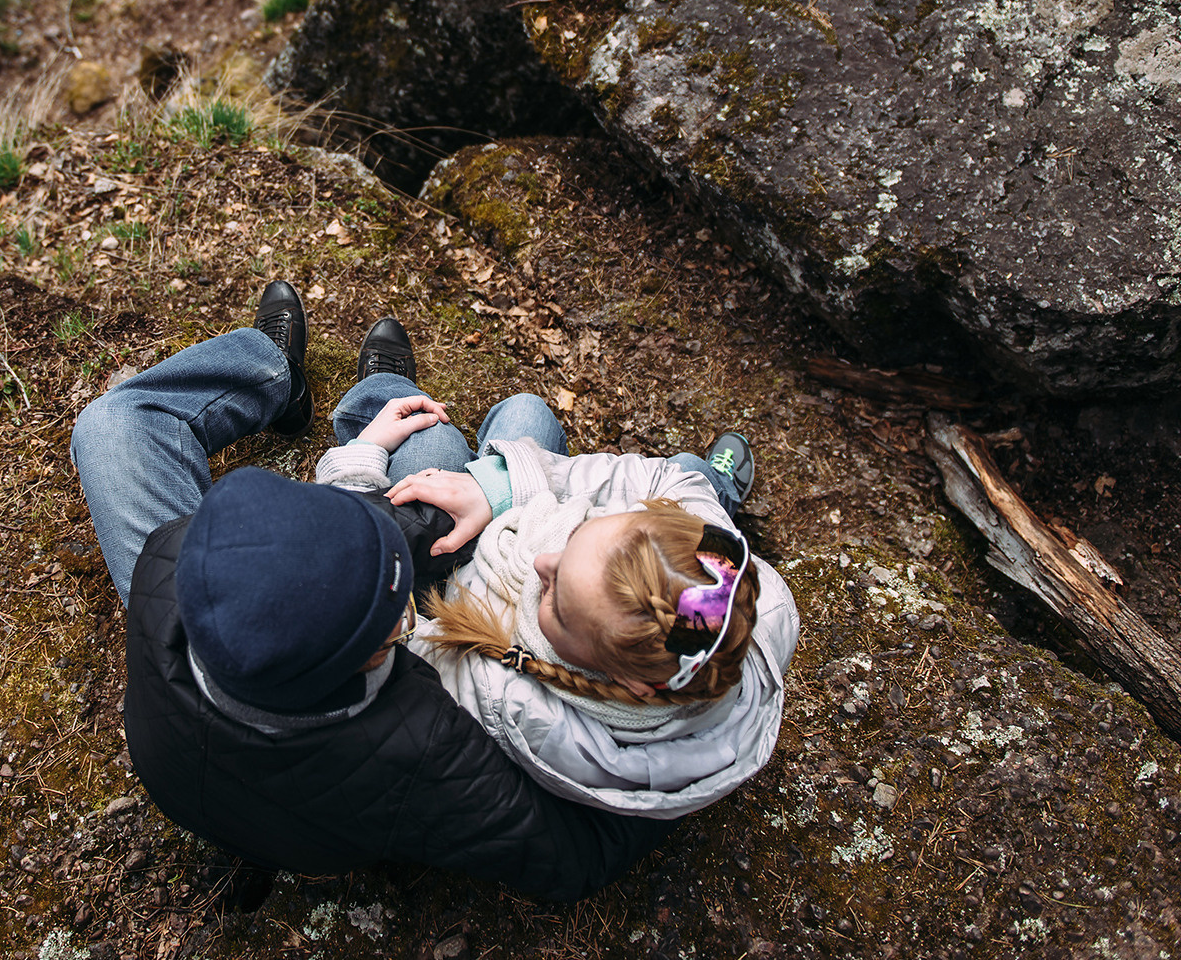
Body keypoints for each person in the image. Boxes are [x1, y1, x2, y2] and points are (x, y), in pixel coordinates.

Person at [69, 282, 669, 902]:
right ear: (370, 659)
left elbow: (325, 552)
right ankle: (385, 396)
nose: (404, 615)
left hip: (208, 763)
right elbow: (573, 859)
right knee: (491, 428)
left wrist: (363, 460)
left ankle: (279, 373)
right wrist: (703, 757)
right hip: (322, 813)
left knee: (111, 422)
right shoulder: (420, 745)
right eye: (395, 621)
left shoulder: (166, 565)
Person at [316, 328, 801, 819]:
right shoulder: (741, 587)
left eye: (558, 602)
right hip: (517, 520)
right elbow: (670, 485)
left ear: (632, 683)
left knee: (431, 437)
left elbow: (345, 602)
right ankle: (717, 492)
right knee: (655, 457)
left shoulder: (502, 694)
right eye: (577, 539)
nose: (540, 563)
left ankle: (381, 389)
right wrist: (498, 488)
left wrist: (355, 472)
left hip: (458, 583)